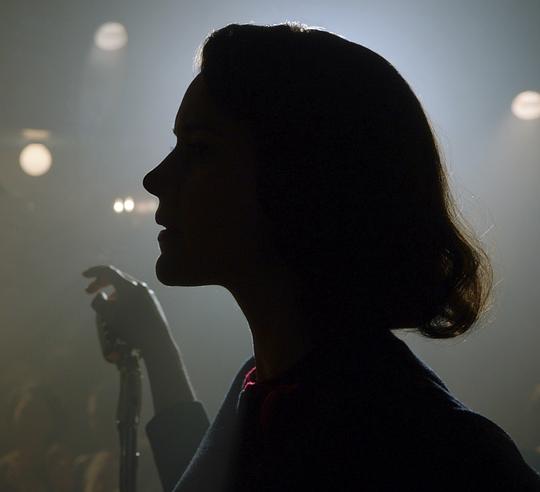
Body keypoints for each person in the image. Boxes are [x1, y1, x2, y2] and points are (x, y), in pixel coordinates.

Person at [82, 21, 540, 491]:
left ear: (301, 179)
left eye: (199, 150)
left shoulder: (445, 458)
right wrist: (156, 346)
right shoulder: (276, 393)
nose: (155, 178)